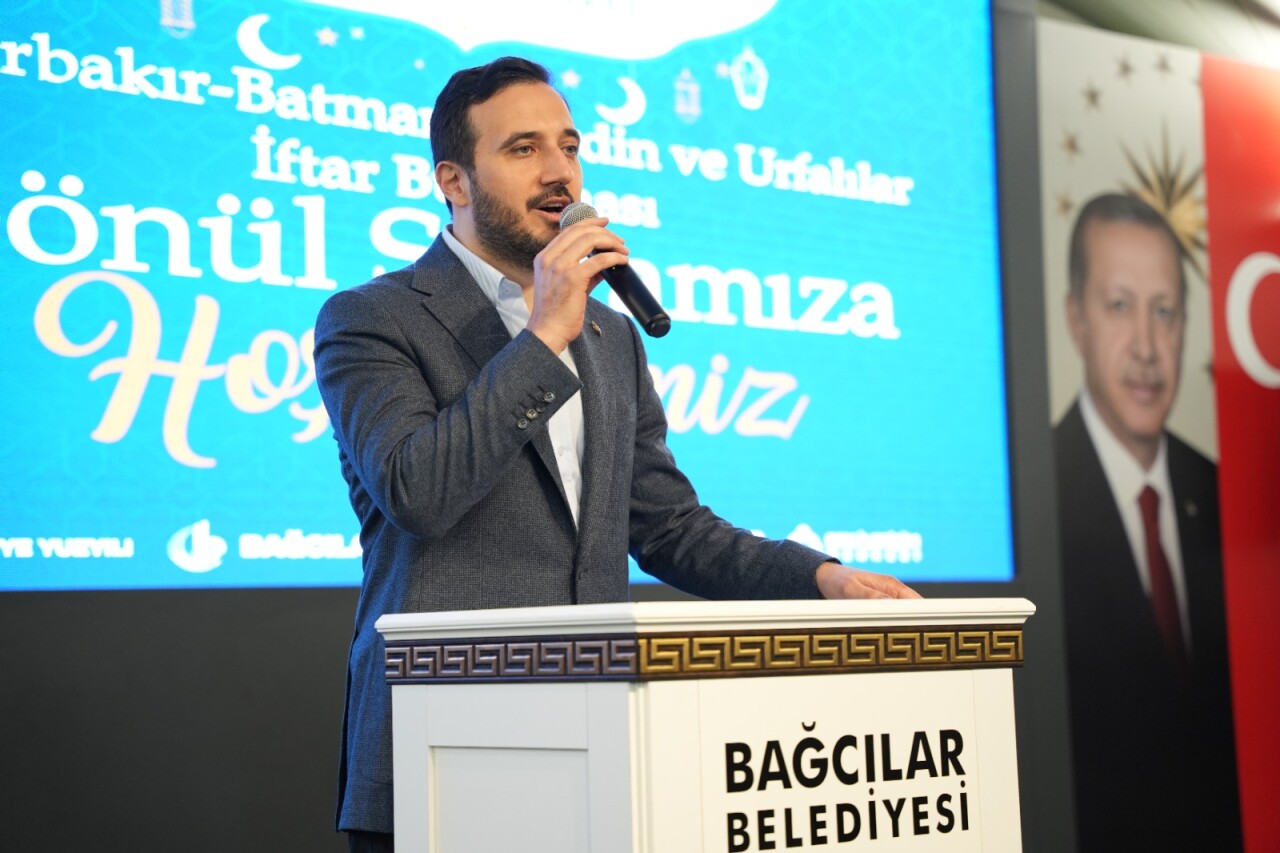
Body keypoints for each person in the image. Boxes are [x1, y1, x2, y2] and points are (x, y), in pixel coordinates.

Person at [313, 56, 920, 851]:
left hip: (590, 748)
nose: (560, 171)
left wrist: (819, 578)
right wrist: (542, 335)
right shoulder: (373, 318)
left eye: (569, 147)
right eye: (524, 148)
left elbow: (668, 526)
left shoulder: (609, 337)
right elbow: (417, 490)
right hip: (440, 751)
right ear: (454, 181)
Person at [1054, 193, 1240, 850]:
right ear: (1076, 318)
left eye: (1164, 312)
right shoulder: (1036, 496)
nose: (1146, 347)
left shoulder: (1222, 492)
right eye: (1119, 306)